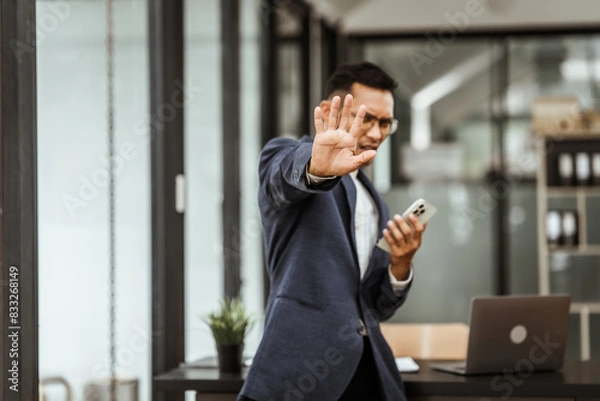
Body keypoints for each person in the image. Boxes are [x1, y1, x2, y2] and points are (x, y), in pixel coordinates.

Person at [238, 61, 427, 401]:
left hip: (369, 374)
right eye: (367, 118)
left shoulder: (375, 202)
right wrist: (317, 167)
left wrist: (400, 265)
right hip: (302, 373)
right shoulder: (287, 155)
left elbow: (374, 307)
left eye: (385, 123)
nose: (375, 133)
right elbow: (283, 180)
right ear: (328, 110)